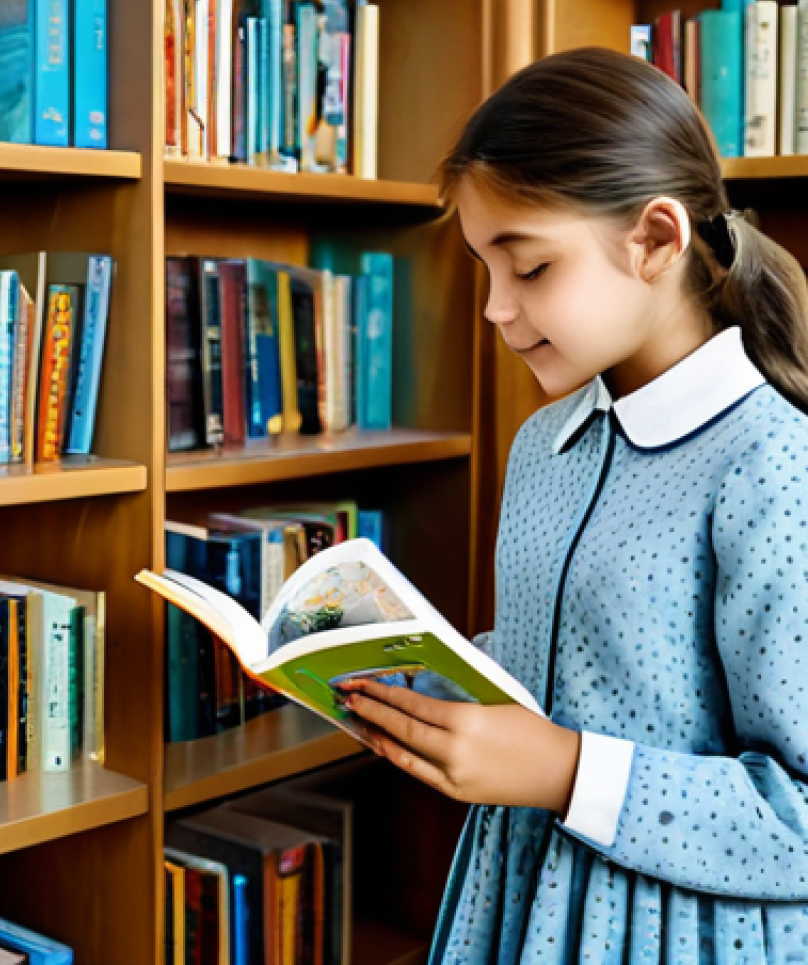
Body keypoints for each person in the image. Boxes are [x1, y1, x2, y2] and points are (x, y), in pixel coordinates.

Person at [336, 47, 808, 963]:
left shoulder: (772, 468)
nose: (495, 310)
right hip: (515, 907)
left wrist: (561, 771)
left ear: (657, 241)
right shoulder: (543, 448)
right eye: (482, 267)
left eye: (531, 268)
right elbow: (564, 673)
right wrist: (407, 682)